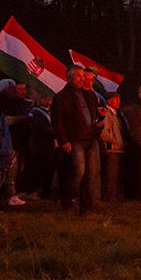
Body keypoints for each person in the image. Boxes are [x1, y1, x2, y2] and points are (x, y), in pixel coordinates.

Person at [51, 65, 104, 215]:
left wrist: (99, 124)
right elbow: (57, 121)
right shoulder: (61, 97)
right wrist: (63, 140)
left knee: (91, 173)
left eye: (83, 76)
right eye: (79, 76)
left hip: (91, 138)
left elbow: (94, 116)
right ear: (70, 78)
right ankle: (68, 200)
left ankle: (86, 206)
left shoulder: (90, 95)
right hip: (75, 139)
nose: (83, 79)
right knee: (78, 172)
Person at [99, 91, 127, 202]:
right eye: (116, 100)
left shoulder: (116, 114)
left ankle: (115, 196)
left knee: (116, 174)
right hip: (112, 148)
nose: (118, 102)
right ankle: (109, 197)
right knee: (111, 174)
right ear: (109, 100)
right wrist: (113, 140)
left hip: (118, 147)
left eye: (119, 100)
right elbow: (104, 132)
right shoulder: (106, 113)